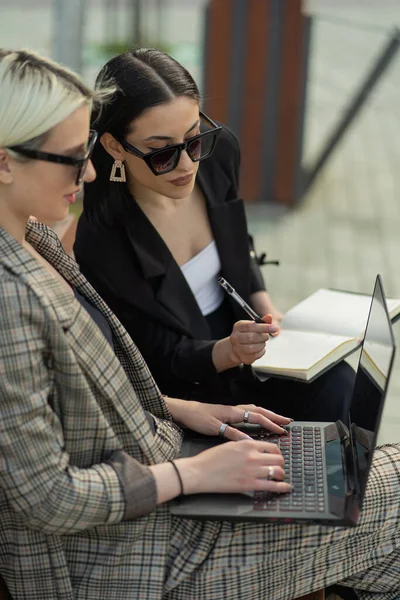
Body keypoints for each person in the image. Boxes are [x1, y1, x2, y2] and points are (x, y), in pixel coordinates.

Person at [0, 48, 399, 600]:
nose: (88, 172)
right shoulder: (21, 292)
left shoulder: (37, 243)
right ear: (4, 162)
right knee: (383, 504)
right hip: (132, 548)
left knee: (353, 484)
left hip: (172, 458)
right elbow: (46, 497)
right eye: (73, 156)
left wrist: (195, 414)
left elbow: (97, 391)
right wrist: (195, 474)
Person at [74, 48, 356, 425]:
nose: (188, 165)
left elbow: (239, 243)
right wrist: (230, 351)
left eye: (193, 139)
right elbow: (159, 358)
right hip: (191, 385)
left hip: (249, 344)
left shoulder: (218, 153)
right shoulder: (101, 239)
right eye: (162, 154)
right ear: (113, 146)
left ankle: (352, 482)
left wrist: (267, 308)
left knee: (343, 383)